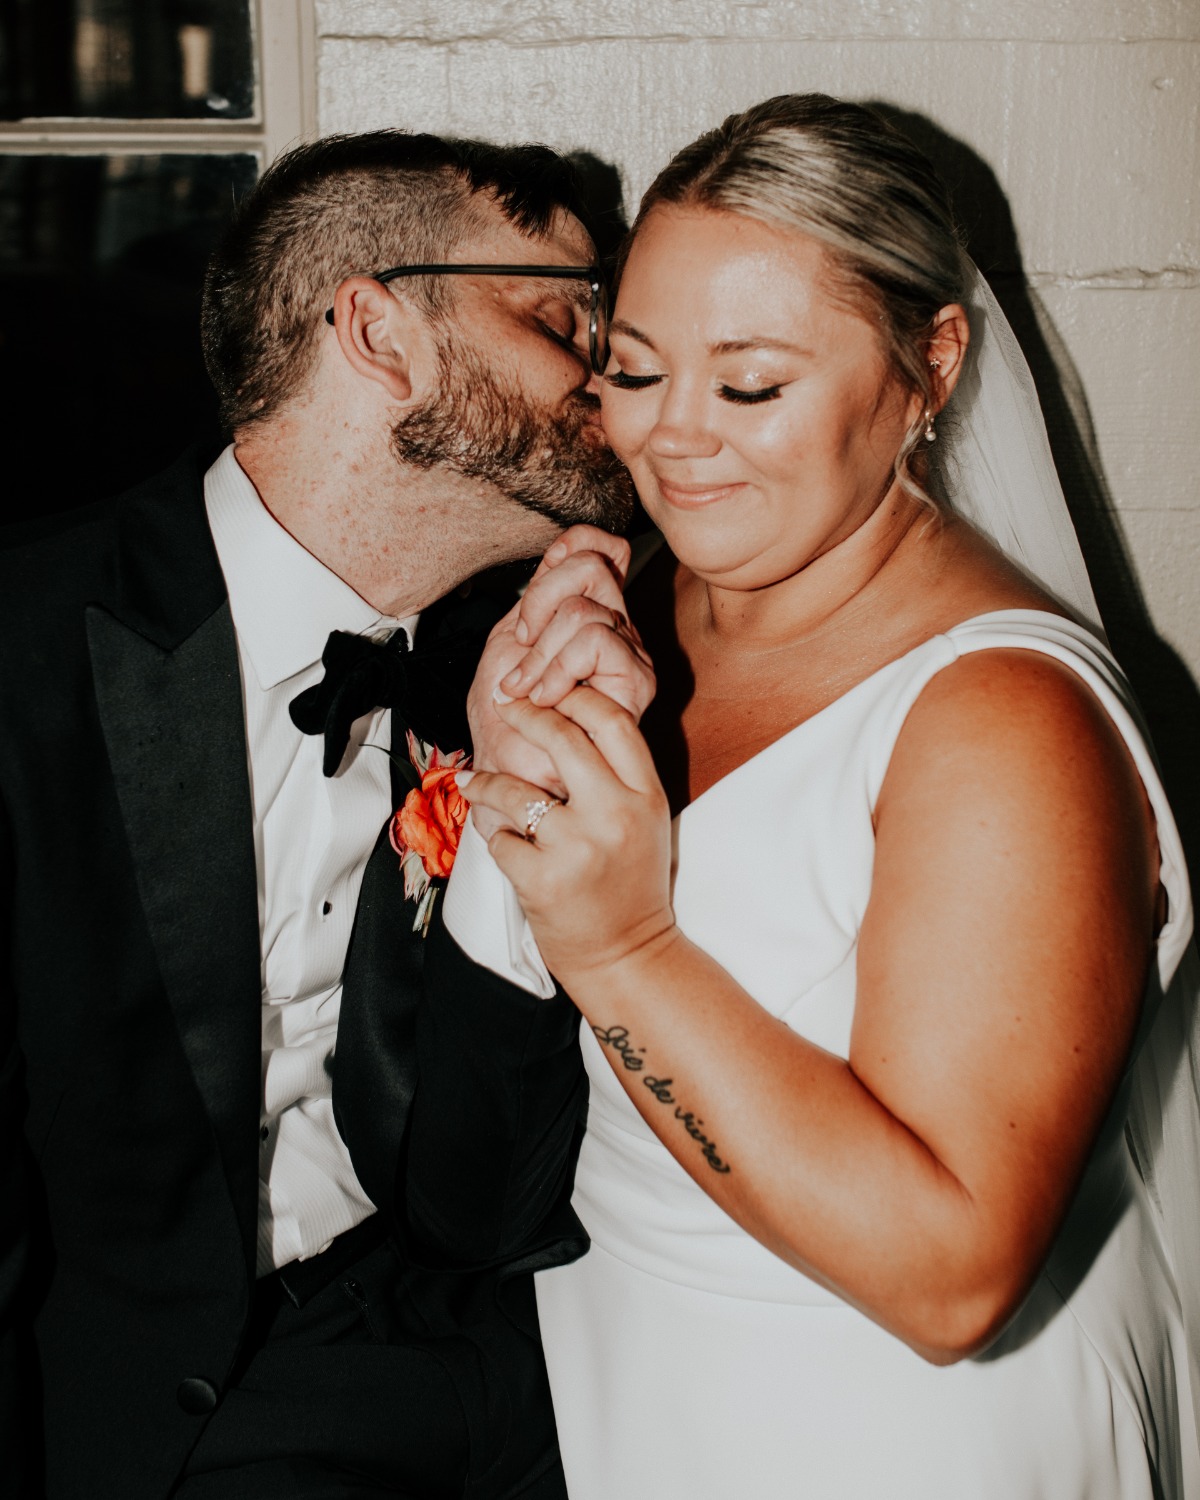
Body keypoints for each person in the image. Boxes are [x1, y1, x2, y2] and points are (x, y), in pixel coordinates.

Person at [437, 95, 1200, 1497]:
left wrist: (624, 948)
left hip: (891, 1440)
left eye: (750, 385)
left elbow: (951, 1278)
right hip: (644, 1395)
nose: (671, 440)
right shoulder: (641, 610)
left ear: (932, 368)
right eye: (637, 366)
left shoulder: (1001, 723)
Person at [0, 129, 653, 1499]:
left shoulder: (507, 673)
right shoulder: (28, 652)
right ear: (376, 328)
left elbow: (476, 1206)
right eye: (561, 317)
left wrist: (522, 829)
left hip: (479, 1367)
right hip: (129, 1419)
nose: (617, 373)